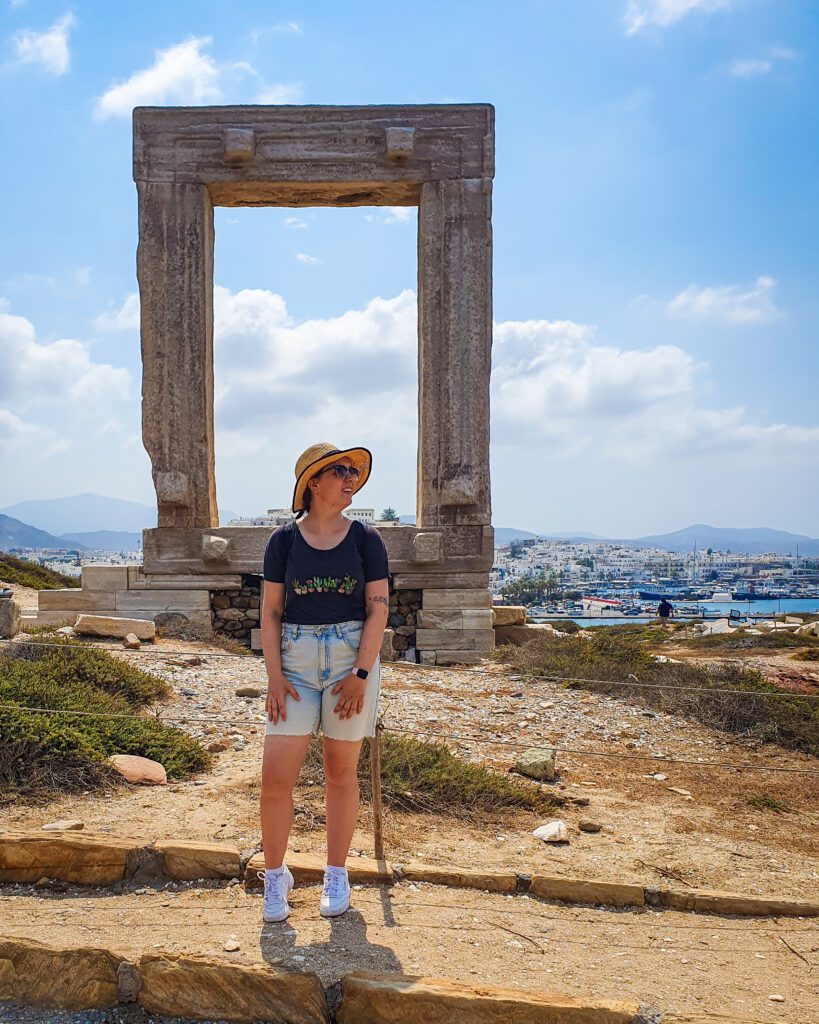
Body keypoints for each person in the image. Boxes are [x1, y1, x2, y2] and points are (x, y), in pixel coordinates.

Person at [258, 442, 390, 923]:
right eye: (340, 470)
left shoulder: (366, 539)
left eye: (353, 471)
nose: (350, 477)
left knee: (340, 773)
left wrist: (359, 673)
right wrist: (274, 675)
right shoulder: (283, 542)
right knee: (274, 778)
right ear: (313, 483)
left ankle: (337, 872)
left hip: (348, 660)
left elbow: (378, 608)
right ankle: (276, 876)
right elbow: (270, 612)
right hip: (293, 662)